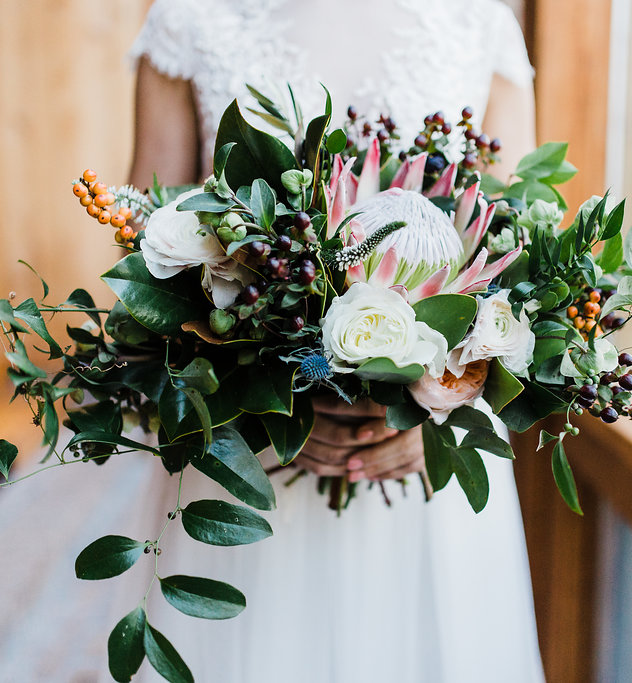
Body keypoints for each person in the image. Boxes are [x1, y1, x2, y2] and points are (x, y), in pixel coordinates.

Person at [124, 1, 544, 681]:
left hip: (429, 473)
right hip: (242, 472)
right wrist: (254, 409)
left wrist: (446, 410)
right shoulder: (191, 18)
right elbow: (145, 271)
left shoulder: (477, 23)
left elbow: (518, 265)